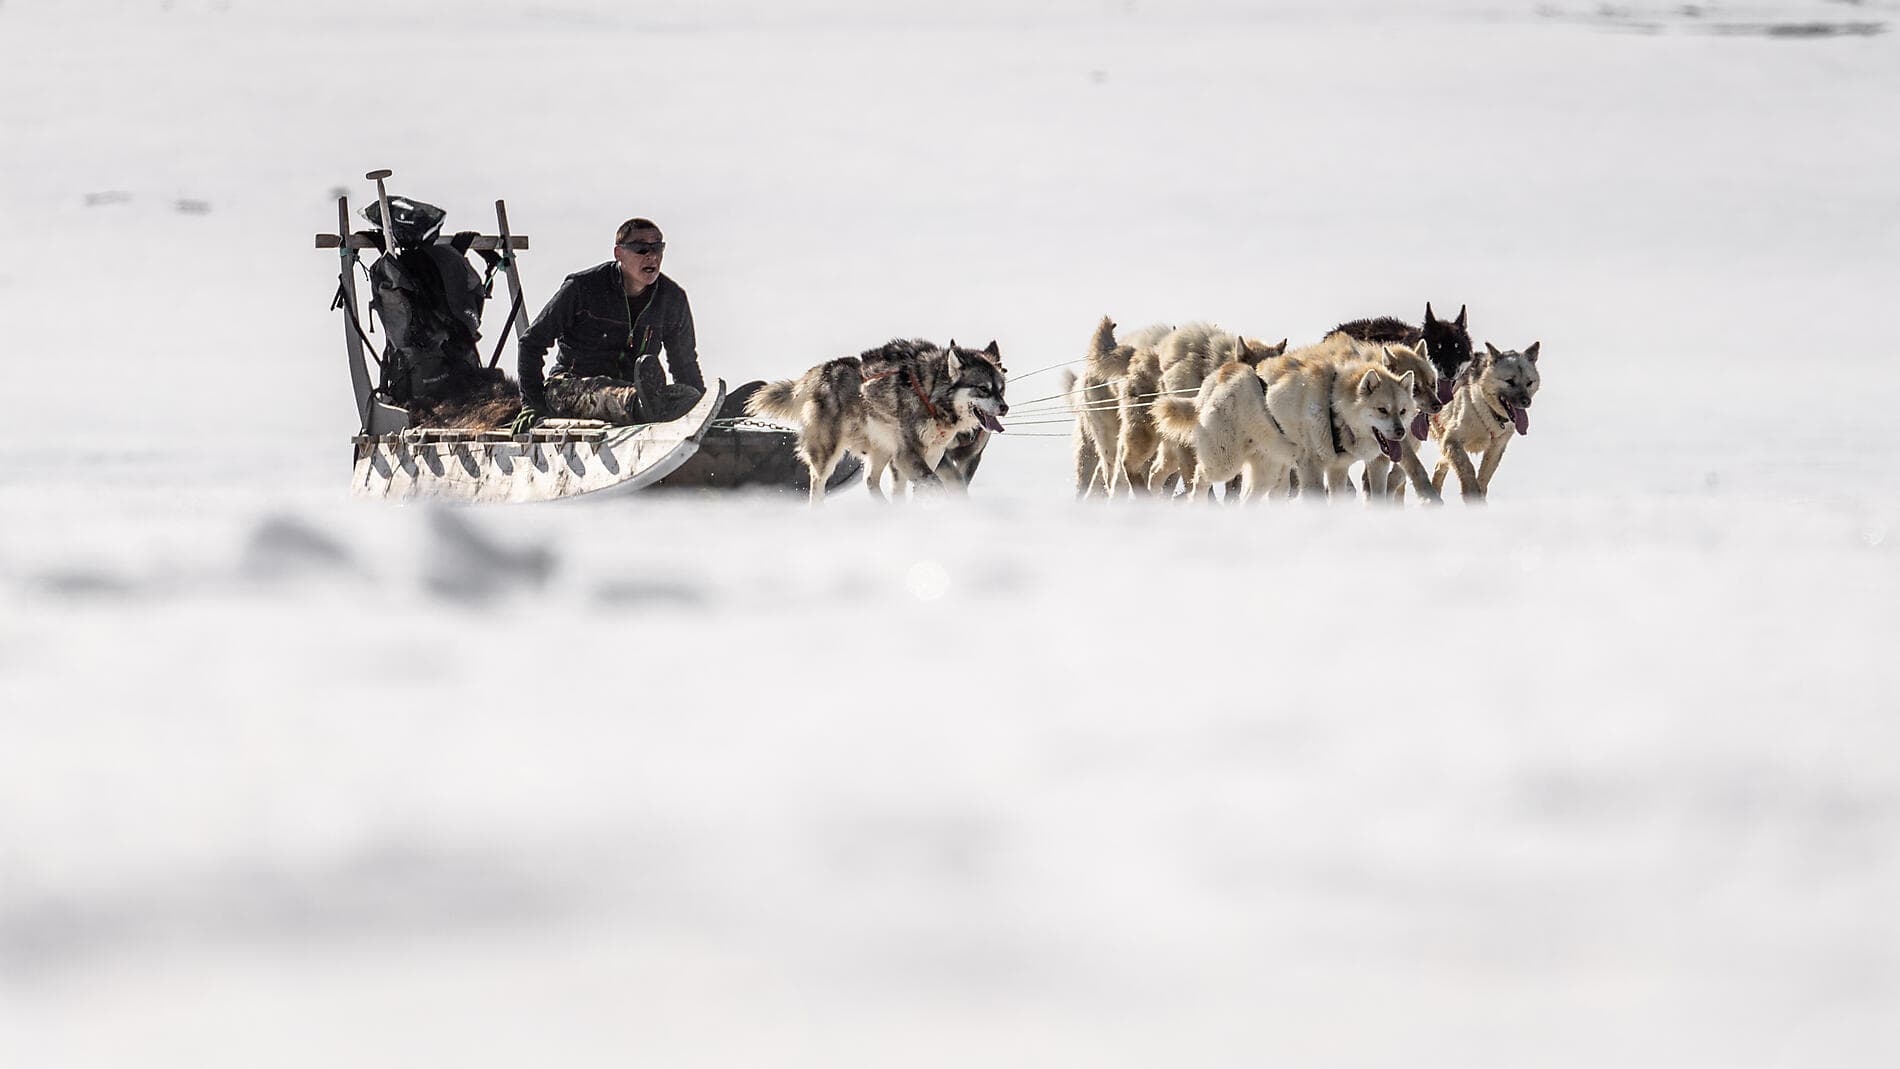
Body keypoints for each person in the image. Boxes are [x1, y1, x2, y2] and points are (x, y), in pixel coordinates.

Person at [512, 217, 707, 432]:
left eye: (657, 248)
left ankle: (656, 406)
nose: (651, 256)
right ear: (619, 253)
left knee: (686, 395)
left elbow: (684, 363)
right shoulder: (582, 287)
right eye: (641, 249)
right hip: (569, 388)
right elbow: (531, 343)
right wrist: (532, 403)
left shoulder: (672, 298)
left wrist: (701, 408)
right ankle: (645, 406)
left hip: (638, 390)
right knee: (613, 396)